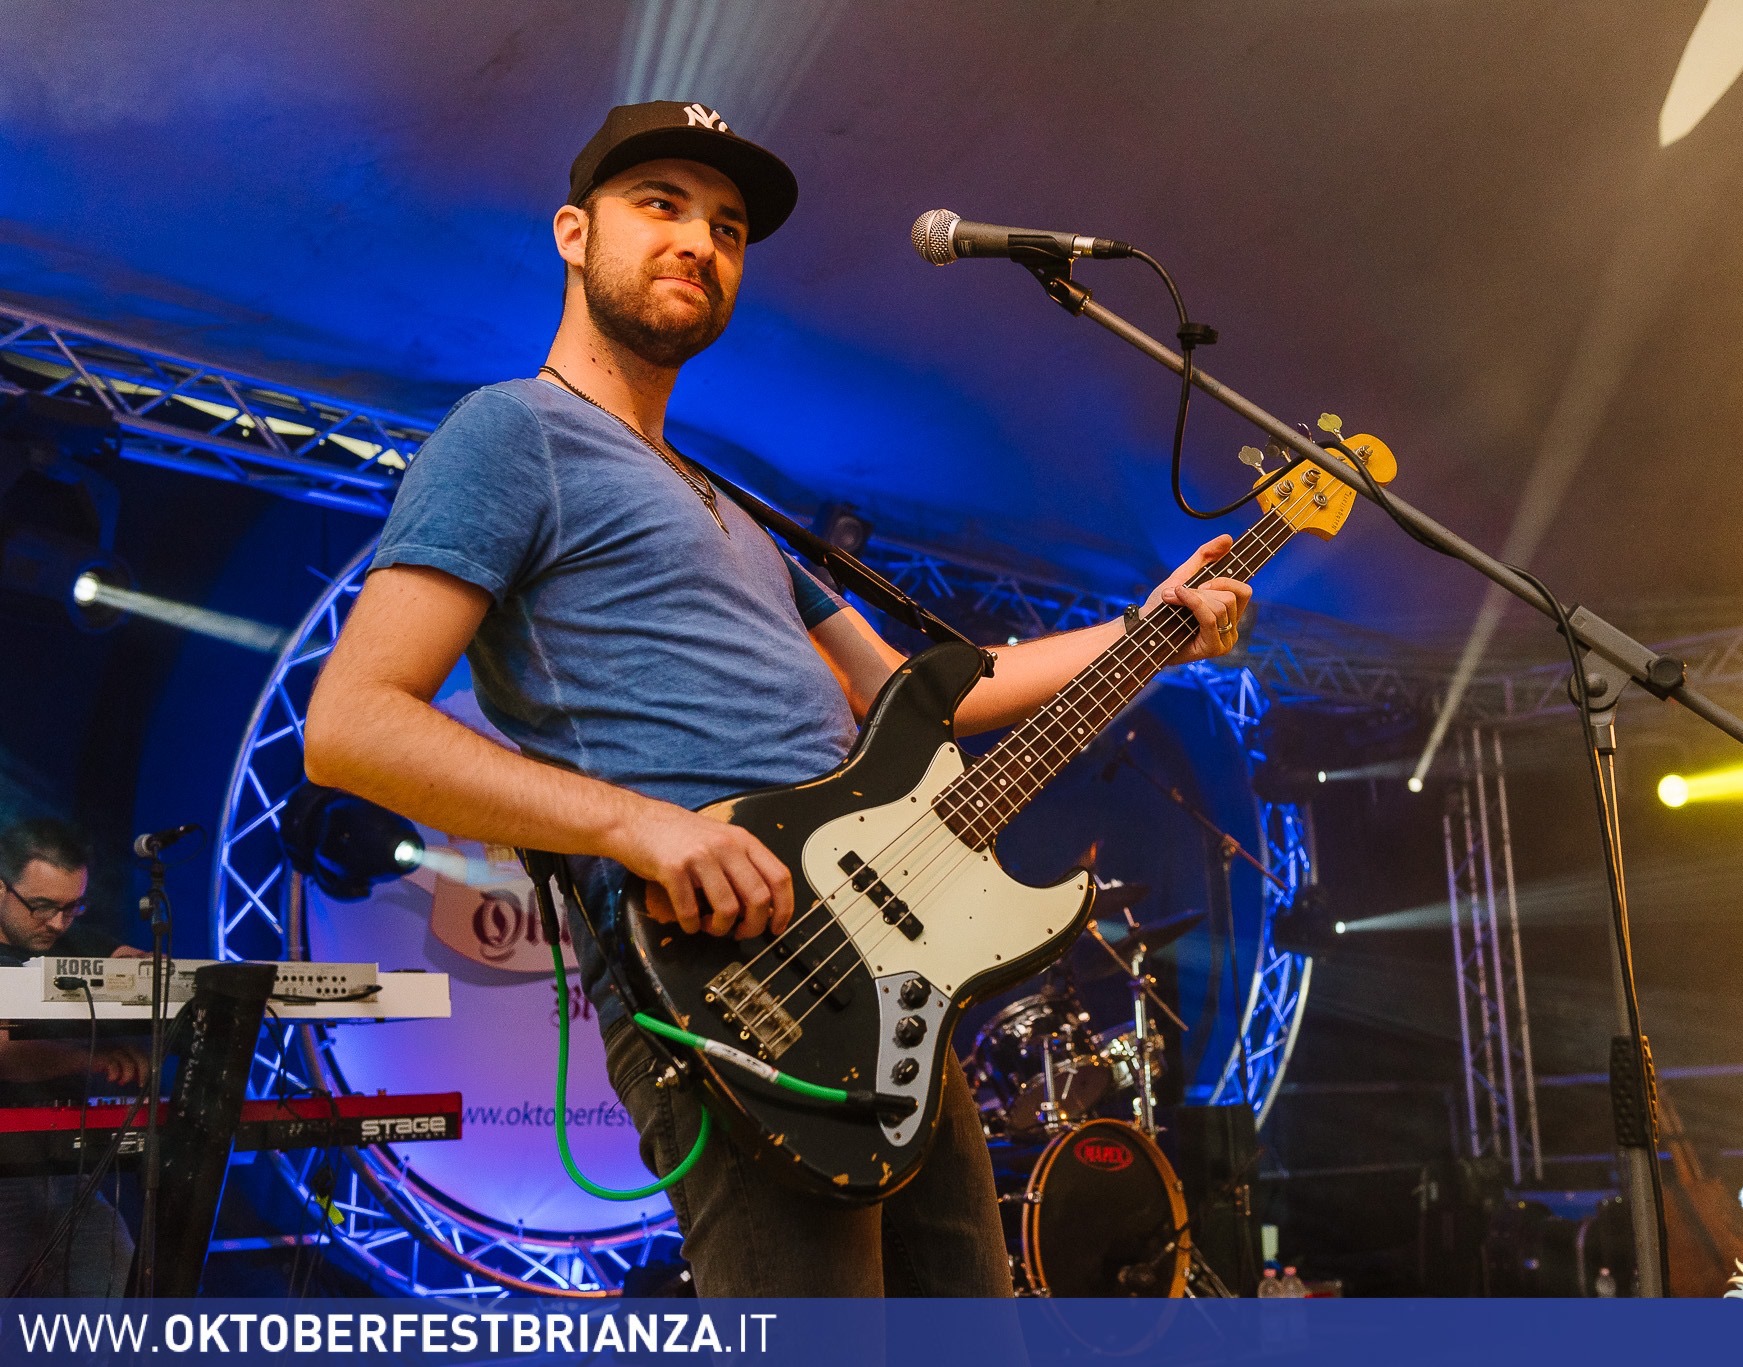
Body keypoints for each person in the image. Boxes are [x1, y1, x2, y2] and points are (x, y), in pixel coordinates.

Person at [302, 99, 1253, 1297]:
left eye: (728, 227)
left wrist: (1148, 631)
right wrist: (639, 824)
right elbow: (351, 725)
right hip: (732, 981)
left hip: (886, 979)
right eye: (660, 205)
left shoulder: (732, 508)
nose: (698, 241)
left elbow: (920, 694)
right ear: (572, 234)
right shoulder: (511, 434)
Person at [0, 817, 149, 1296]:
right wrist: (93, 1058)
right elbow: (5, 1054)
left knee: (115, 1282)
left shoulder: (69, 940)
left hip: (65, 1172)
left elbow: (132, 962)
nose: (58, 923)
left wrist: (148, 970)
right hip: (4, 1175)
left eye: (72, 907)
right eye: (42, 906)